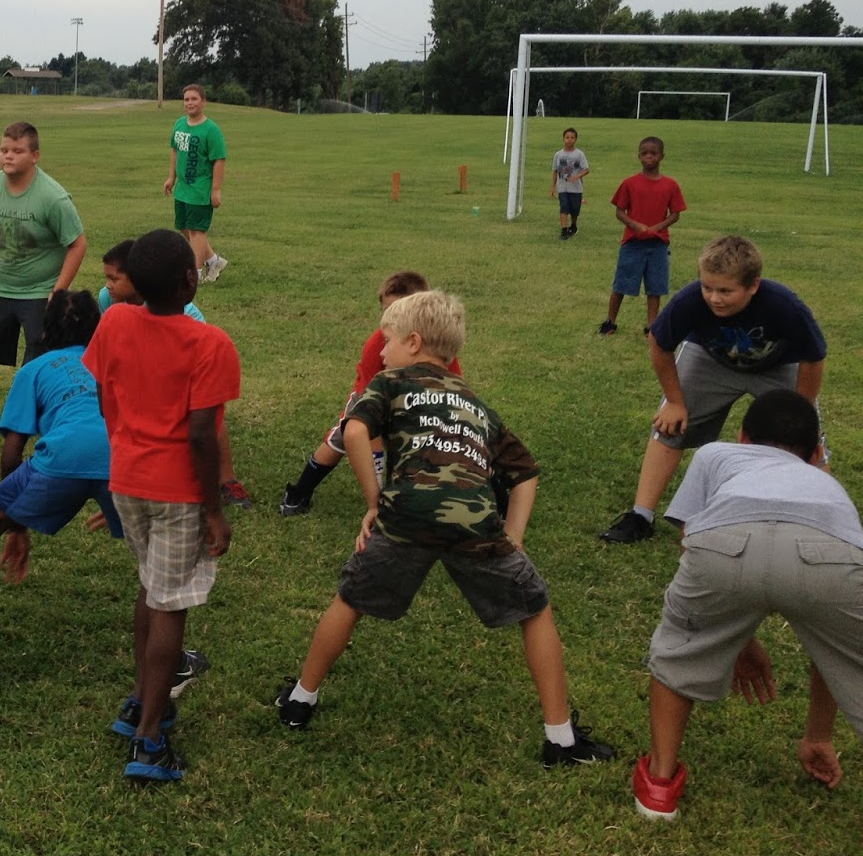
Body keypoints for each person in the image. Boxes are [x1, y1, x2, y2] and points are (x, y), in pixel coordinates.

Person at [275, 291, 615, 771]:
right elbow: (525, 473)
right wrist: (512, 536)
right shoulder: (474, 400)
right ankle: (560, 740)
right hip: (477, 521)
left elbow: (353, 432)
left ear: (412, 342)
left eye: (386, 341)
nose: (381, 350)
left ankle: (299, 701)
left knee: (350, 600)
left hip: (405, 514)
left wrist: (375, 502)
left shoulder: (389, 381)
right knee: (534, 610)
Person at [633, 390, 862, 821]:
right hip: (832, 552)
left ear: (741, 438)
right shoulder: (829, 485)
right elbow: (828, 636)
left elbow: (689, 541)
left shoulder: (715, 454)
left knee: (678, 650)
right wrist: (818, 734)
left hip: (725, 541)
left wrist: (733, 633)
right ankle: (816, 739)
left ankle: (658, 787)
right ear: (815, 454)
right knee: (847, 647)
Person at [82, 229, 240, 782]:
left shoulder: (116, 321)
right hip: (177, 492)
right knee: (171, 603)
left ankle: (138, 702)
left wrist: (128, 449)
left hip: (128, 479)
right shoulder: (210, 343)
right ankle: (149, 737)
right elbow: (202, 434)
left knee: (151, 586)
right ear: (190, 280)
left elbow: (105, 394)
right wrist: (213, 509)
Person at [0, 290, 122, 701]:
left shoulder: (36, 368)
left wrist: (16, 523)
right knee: (153, 551)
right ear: (97, 330)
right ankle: (174, 657)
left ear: (42, 331)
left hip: (61, 460)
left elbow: (10, 456)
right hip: (125, 463)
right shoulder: (113, 363)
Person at [600, 235, 827, 544]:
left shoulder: (783, 304)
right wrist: (674, 401)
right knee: (669, 426)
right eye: (708, 287)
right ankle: (640, 515)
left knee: (804, 437)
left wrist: (801, 410)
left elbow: (813, 357)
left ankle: (822, 520)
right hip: (711, 359)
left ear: (753, 285)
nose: (714, 298)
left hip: (776, 366)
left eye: (725, 290)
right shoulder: (690, 300)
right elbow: (659, 342)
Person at [278, 271, 460, 518]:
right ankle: (299, 492)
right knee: (341, 439)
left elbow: (453, 387)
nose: (390, 318)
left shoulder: (436, 345)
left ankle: (497, 504)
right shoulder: (378, 344)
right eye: (386, 311)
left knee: (461, 437)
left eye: (399, 310)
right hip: (372, 398)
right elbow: (367, 405)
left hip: (417, 400)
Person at [0, 121, 87, 432]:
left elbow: (77, 244)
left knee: (37, 357)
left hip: (39, 291)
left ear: (34, 156)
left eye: (17, 151)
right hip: (0, 286)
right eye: (3, 150)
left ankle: (30, 420)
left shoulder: (53, 197)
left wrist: (58, 291)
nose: (8, 156)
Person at [98, 238, 252, 509]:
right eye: (107, 278)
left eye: (115, 278)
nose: (109, 285)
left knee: (207, 412)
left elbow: (201, 419)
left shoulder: (191, 318)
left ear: (138, 281)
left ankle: (227, 479)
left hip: (178, 384)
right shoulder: (108, 304)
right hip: (152, 478)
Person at [598, 136, 684, 336]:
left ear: (662, 156)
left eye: (653, 153)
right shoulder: (630, 183)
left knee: (655, 287)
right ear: (638, 156)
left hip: (658, 244)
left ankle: (651, 326)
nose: (648, 157)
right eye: (644, 153)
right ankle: (610, 321)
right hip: (632, 242)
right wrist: (636, 226)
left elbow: (675, 214)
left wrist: (657, 228)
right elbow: (619, 211)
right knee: (621, 283)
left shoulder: (670, 185)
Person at [163, 83, 228, 283]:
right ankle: (213, 260)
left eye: (194, 99)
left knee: (196, 230)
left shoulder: (211, 130)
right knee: (183, 226)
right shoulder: (179, 124)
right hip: (182, 188)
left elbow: (219, 159)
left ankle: (195, 273)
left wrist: (215, 190)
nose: (190, 103)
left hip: (200, 188)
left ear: (203, 102)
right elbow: (174, 151)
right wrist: (171, 177)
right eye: (186, 99)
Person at [550, 126, 588, 240]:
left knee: (575, 210)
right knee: (564, 208)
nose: (569, 140)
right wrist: (553, 186)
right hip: (562, 187)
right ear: (563, 139)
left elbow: (586, 169)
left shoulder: (579, 154)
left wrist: (577, 176)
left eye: (572, 137)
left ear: (575, 139)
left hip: (576, 188)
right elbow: (555, 171)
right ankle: (564, 230)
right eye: (567, 137)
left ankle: (574, 225)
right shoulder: (558, 155)